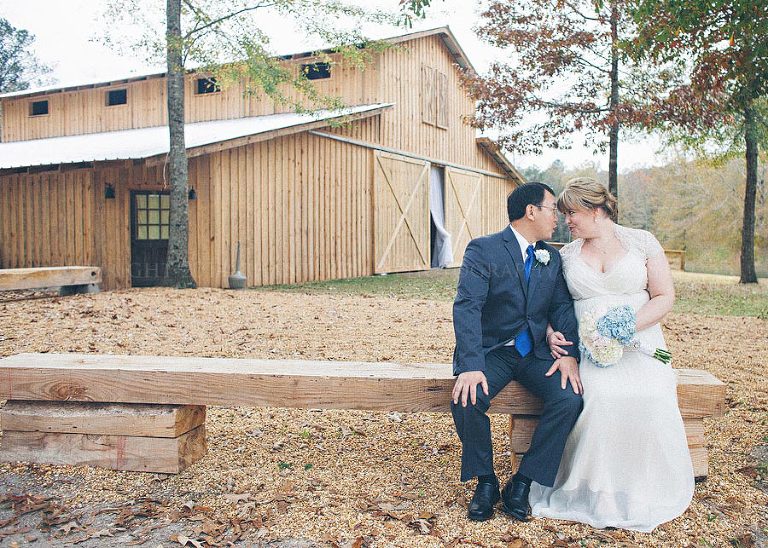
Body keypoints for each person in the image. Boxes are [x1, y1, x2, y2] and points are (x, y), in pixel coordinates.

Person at [528, 177, 694, 532]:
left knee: (650, 394)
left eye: (572, 213)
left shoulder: (642, 242)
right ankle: (598, 490)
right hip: (590, 350)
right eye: (564, 213)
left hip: (641, 344)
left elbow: (664, 296)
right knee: (599, 398)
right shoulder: (566, 255)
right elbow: (545, 304)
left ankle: (639, 490)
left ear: (596, 209)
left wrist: (627, 328)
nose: (566, 221)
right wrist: (551, 332)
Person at [451, 182, 583, 522]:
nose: (557, 217)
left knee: (569, 398)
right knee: (465, 397)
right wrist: (470, 364)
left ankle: (522, 482)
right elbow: (467, 307)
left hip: (535, 353)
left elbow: (562, 309)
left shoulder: (550, 257)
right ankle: (486, 482)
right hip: (493, 351)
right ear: (531, 211)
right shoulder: (483, 249)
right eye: (552, 208)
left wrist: (568, 354)